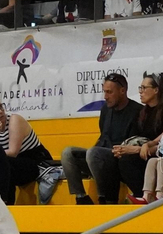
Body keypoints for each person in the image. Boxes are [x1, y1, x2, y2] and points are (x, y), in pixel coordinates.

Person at [61, 73, 142, 204]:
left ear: (122, 91)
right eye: (104, 92)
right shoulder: (105, 109)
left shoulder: (137, 111)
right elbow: (103, 136)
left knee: (94, 153)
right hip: (101, 156)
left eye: (109, 92)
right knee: (68, 153)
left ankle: (104, 197)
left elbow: (135, 144)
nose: (105, 97)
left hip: (120, 159)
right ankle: (81, 197)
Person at [0, 94, 56, 202]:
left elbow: (13, 152)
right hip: (14, 164)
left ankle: (7, 203)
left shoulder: (14, 120)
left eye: (1, 107)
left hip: (35, 162)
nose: (1, 111)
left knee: (3, 164)